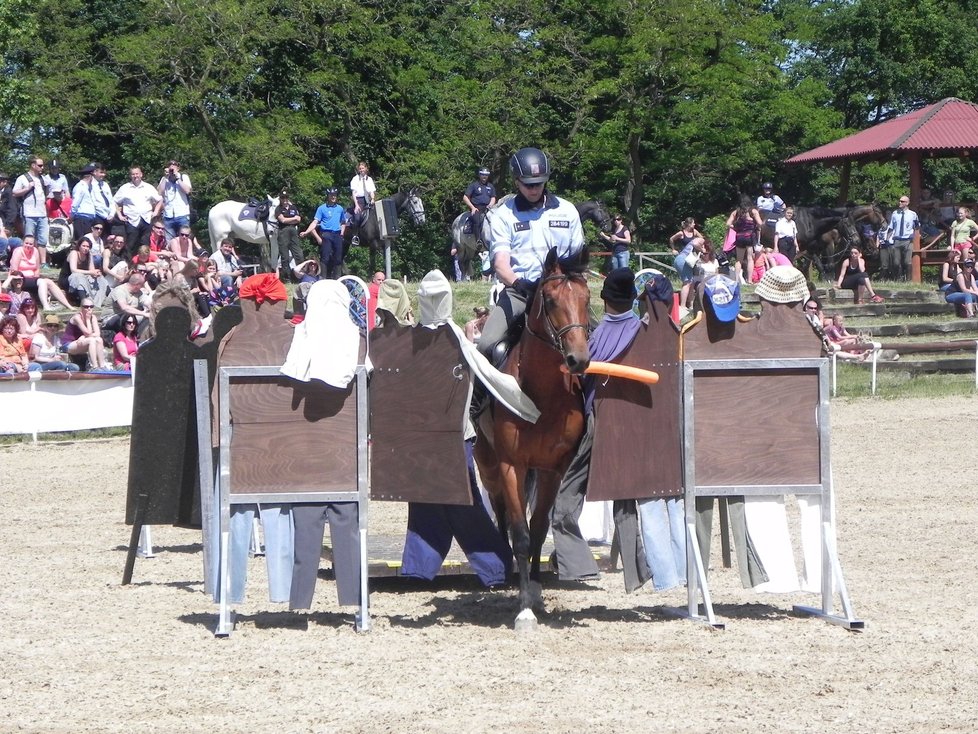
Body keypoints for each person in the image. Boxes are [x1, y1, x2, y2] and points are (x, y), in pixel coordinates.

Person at [480, 146, 584, 358]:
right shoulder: (503, 215)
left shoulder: (567, 211)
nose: (534, 189)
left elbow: (578, 257)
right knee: (486, 345)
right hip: (520, 291)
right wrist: (520, 285)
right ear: (516, 181)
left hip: (563, 292)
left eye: (538, 183)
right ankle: (479, 392)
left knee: (599, 341)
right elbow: (500, 264)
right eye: (528, 184)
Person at [7, 236, 73, 310]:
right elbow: (14, 271)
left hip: (32, 278)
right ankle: (46, 306)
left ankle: (68, 305)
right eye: (26, 243)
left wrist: (35, 278)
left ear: (34, 245)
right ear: (23, 243)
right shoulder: (18, 251)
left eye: (31, 244)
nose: (28, 245)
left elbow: (37, 269)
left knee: (49, 282)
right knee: (42, 281)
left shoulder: (35, 251)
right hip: (20, 279)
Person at [300, 188, 349, 279]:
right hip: (326, 234)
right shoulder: (322, 208)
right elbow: (315, 222)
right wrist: (306, 232)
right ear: (328, 196)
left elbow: (343, 222)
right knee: (325, 258)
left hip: (337, 234)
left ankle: (337, 279)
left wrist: (342, 233)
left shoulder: (340, 208)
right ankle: (323, 278)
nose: (333, 197)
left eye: (335, 195)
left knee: (338, 258)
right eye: (331, 195)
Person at [114, 166, 162, 255]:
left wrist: (156, 212)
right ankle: (129, 265)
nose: (135, 176)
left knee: (145, 245)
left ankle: (144, 265)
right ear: (130, 176)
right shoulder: (125, 188)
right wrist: (120, 215)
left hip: (146, 220)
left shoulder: (148, 187)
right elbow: (114, 201)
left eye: (137, 174)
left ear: (141, 174)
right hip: (131, 220)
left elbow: (160, 199)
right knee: (130, 245)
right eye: (133, 174)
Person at [13, 156, 50, 265]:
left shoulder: (43, 179)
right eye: (40, 165)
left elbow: (46, 194)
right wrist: (27, 188)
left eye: (42, 165)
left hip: (42, 213)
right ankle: (28, 261)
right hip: (29, 213)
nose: (42, 167)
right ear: (33, 165)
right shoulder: (23, 178)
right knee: (29, 238)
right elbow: (15, 193)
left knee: (43, 239)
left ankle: (43, 262)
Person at [725, 196, 763, 285]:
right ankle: (749, 280)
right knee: (750, 259)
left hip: (739, 237)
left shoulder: (736, 212)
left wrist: (735, 227)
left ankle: (737, 280)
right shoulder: (753, 211)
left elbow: (728, 224)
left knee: (739, 260)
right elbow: (760, 223)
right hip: (749, 237)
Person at [63, 298, 107, 369]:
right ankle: (94, 367)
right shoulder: (77, 317)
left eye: (91, 306)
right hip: (69, 344)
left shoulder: (93, 317)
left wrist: (83, 337)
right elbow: (88, 333)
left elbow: (97, 334)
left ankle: (102, 366)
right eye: (86, 307)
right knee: (91, 340)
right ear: (81, 308)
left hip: (81, 342)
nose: (89, 308)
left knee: (99, 340)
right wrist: (87, 320)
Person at [62, 239, 107, 307]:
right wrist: (90, 272)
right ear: (79, 246)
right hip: (68, 279)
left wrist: (96, 273)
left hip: (83, 277)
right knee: (78, 277)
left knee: (100, 278)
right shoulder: (74, 253)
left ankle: (101, 300)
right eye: (84, 246)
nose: (86, 248)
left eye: (88, 246)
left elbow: (92, 270)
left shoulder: (89, 255)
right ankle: (84, 302)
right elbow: (73, 270)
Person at [883, 195, 919, 280]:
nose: (900, 203)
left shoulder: (913, 214)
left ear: (907, 203)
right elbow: (891, 227)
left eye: (902, 201)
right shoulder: (895, 214)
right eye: (899, 201)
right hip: (897, 240)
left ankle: (908, 280)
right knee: (896, 262)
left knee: (907, 262)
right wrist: (887, 238)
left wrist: (914, 235)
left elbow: (917, 226)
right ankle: (898, 279)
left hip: (908, 240)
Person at [157, 159, 192, 241]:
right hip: (168, 215)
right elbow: (159, 193)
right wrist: (166, 177)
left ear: (178, 168)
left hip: (182, 214)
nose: (172, 167)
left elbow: (187, 190)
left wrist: (177, 178)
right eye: (170, 165)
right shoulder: (164, 179)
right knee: (169, 241)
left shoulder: (183, 177)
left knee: (184, 239)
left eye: (174, 165)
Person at [462, 167, 497, 246]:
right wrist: (472, 207)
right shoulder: (474, 185)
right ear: (479, 175)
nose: (484, 177)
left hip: (488, 208)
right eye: (483, 175)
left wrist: (491, 204)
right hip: (476, 208)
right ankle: (478, 240)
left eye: (486, 175)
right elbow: (465, 197)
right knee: (477, 221)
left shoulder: (490, 186)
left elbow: (493, 197)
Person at [273, 190, 302, 278]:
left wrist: (290, 219)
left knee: (298, 254)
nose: (285, 199)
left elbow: (299, 219)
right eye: (282, 198)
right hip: (283, 231)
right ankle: (287, 276)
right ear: (280, 199)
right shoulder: (278, 209)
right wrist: (294, 218)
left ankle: (299, 275)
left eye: (286, 197)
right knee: (284, 256)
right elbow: (282, 220)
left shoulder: (293, 207)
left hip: (293, 230)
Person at [70, 163, 100, 239]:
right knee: (82, 241)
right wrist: (71, 216)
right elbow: (75, 204)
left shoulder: (88, 188)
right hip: (81, 219)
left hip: (88, 219)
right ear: (90, 176)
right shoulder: (80, 187)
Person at [350, 161, 376, 227]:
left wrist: (372, 199)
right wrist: (356, 205)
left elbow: (371, 191)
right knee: (357, 218)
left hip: (368, 201)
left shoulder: (369, 179)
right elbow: (353, 193)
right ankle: (355, 235)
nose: (361, 170)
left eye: (363, 168)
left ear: (366, 168)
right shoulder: (355, 179)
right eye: (360, 169)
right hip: (359, 201)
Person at [91, 163, 116, 232]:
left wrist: (111, 214)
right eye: (101, 172)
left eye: (104, 173)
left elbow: (111, 201)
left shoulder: (105, 185)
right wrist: (105, 216)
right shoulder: (90, 185)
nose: (103, 175)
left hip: (109, 217)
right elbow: (94, 203)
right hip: (98, 216)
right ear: (95, 172)